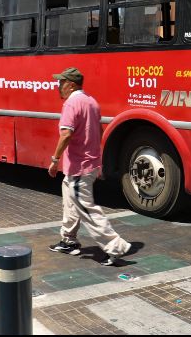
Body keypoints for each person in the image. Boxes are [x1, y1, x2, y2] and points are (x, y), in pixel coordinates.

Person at [48, 67, 132, 266]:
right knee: (70, 201)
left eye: (61, 82)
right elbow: (99, 131)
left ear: (71, 84)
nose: (58, 86)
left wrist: (54, 159)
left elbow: (66, 134)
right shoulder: (92, 102)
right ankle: (68, 241)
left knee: (86, 208)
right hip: (88, 165)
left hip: (79, 167)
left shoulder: (71, 103)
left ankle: (115, 246)